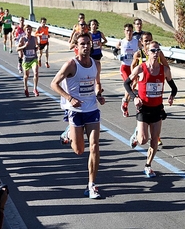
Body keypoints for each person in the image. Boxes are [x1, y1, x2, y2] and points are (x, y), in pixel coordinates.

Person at [51, 32, 105, 199]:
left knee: (95, 146)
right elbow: (54, 84)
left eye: (88, 43)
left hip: (92, 110)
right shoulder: (71, 65)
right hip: (75, 111)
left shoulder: (96, 64)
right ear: (76, 47)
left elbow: (97, 83)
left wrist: (98, 95)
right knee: (79, 150)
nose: (86, 46)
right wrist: (69, 98)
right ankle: (69, 133)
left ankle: (91, 185)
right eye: (82, 44)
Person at [125, 41, 177, 177]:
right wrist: (134, 97)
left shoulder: (164, 70)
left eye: (158, 50)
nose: (156, 53)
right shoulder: (140, 69)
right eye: (153, 51)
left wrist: (171, 96)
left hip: (157, 109)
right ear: (147, 52)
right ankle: (137, 134)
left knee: (155, 140)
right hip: (143, 108)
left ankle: (148, 165)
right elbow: (126, 83)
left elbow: (174, 87)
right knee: (142, 140)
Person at [116, 23, 141, 117]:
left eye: (130, 31)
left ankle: (125, 102)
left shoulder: (136, 42)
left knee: (132, 87)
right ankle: (127, 103)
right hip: (125, 67)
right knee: (130, 85)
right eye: (127, 31)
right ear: (124, 31)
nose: (129, 33)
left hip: (134, 67)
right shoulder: (121, 42)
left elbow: (142, 51)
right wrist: (118, 56)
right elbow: (115, 51)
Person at [17, 24, 39, 97]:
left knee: (36, 72)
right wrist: (24, 46)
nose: (29, 31)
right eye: (27, 30)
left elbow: (37, 46)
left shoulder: (34, 38)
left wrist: (36, 48)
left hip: (33, 59)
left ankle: (35, 88)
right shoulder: (22, 39)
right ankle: (25, 88)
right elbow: (17, 49)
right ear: (25, 31)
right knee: (26, 76)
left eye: (30, 29)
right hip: (26, 60)